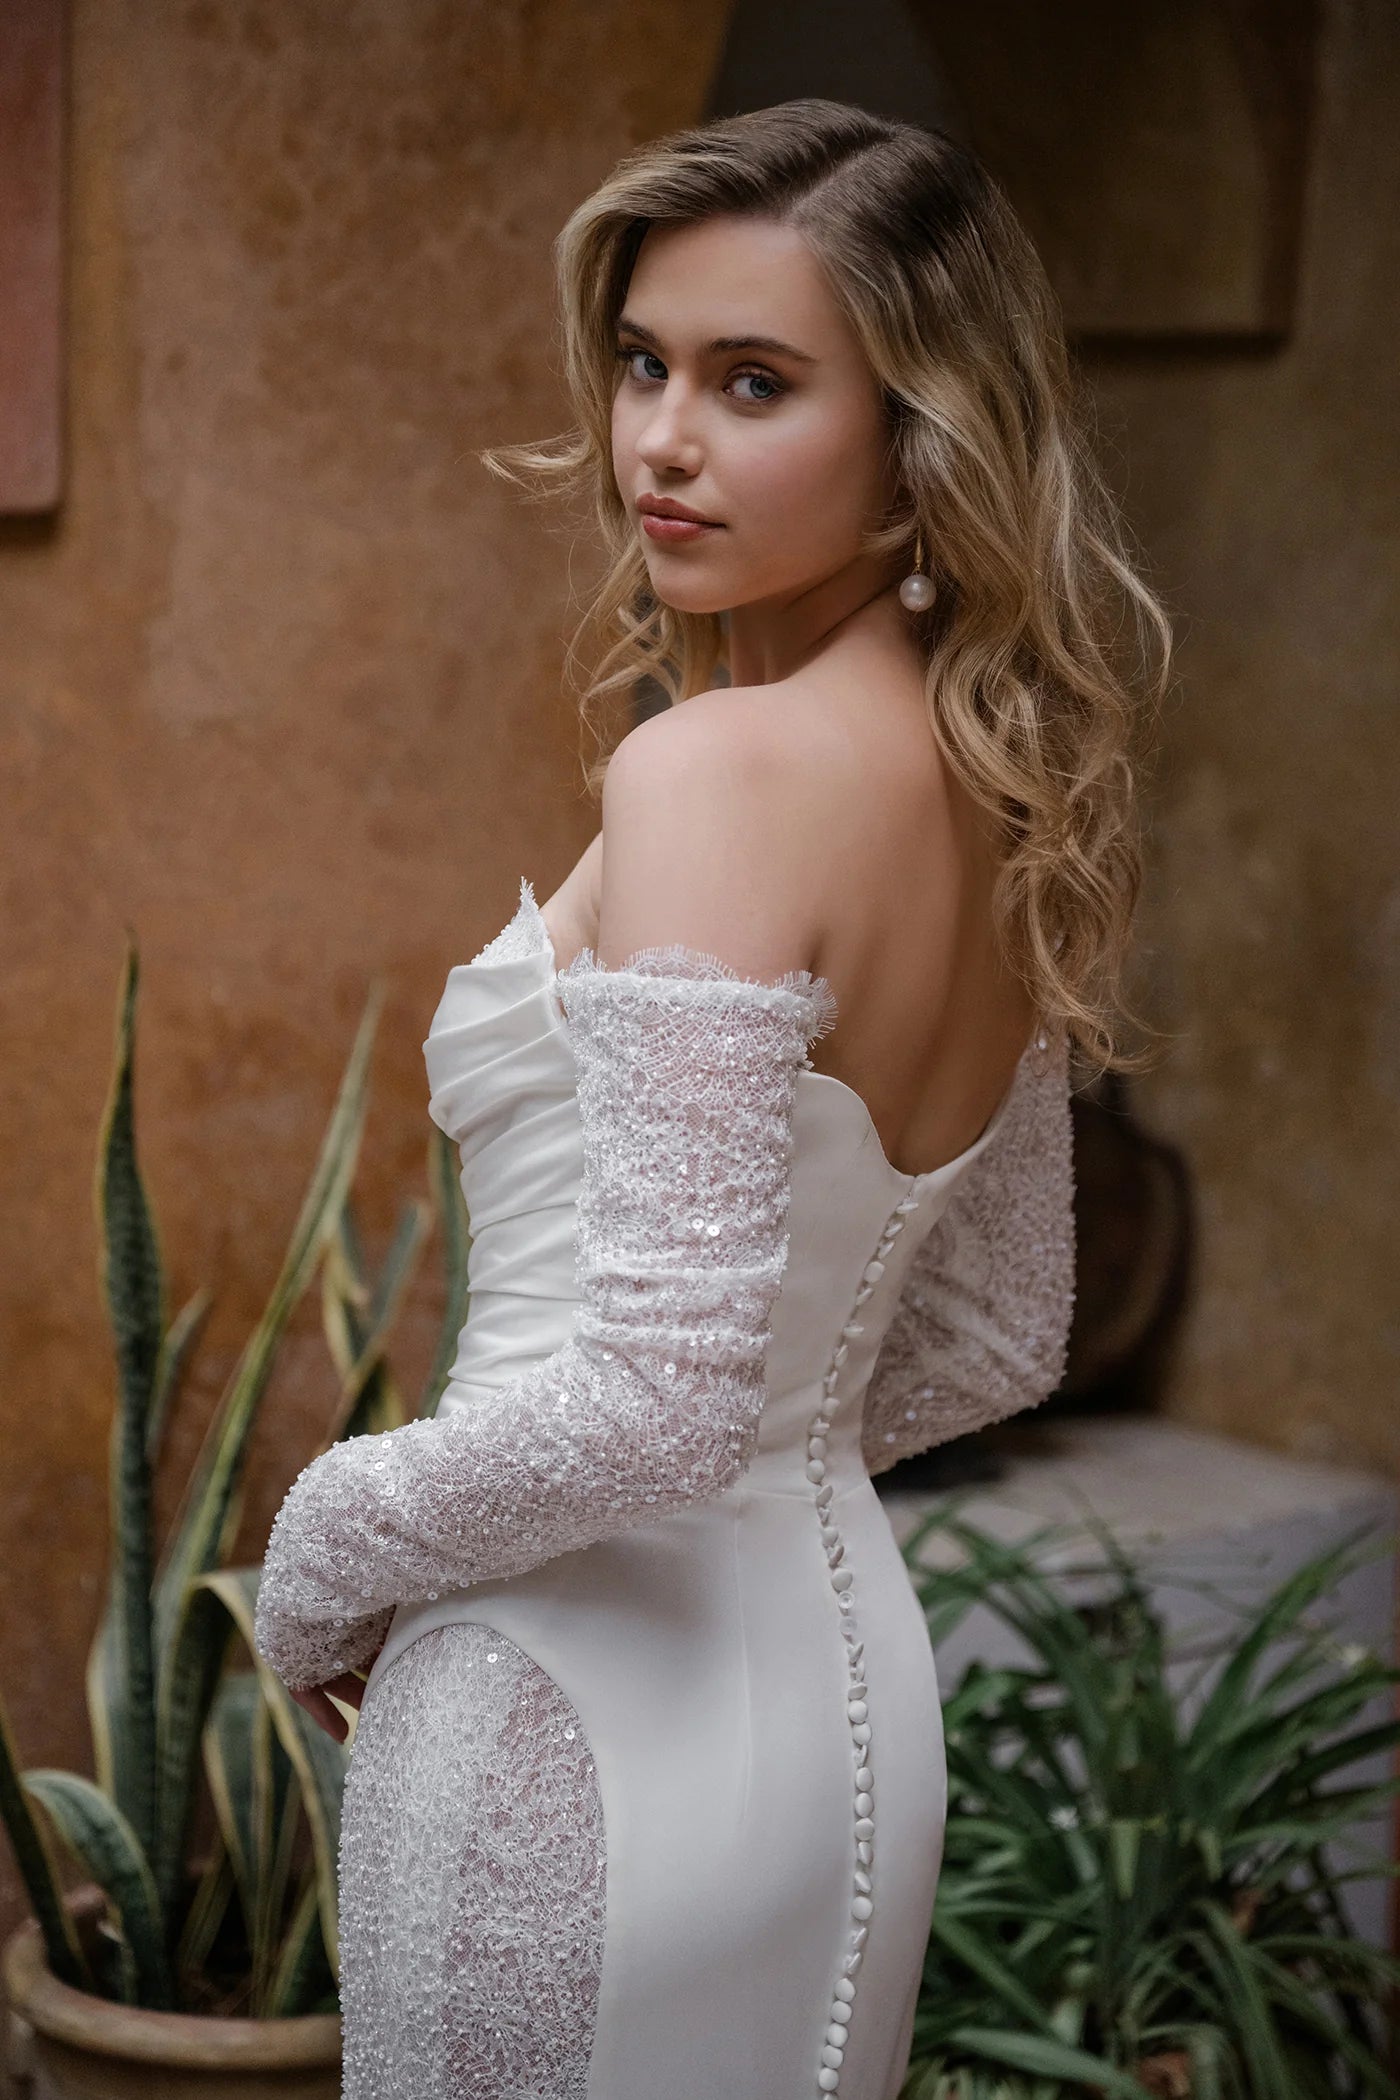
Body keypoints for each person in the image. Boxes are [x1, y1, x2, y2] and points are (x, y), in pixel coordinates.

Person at [253, 96, 1171, 2100]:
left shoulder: (712, 776)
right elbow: (998, 1331)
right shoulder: (995, 803)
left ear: (921, 440)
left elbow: (657, 1395)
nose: (660, 440)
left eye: (753, 383)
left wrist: (331, 1543)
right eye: (644, 366)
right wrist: (781, 1460)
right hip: (835, 1722)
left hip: (566, 1709)